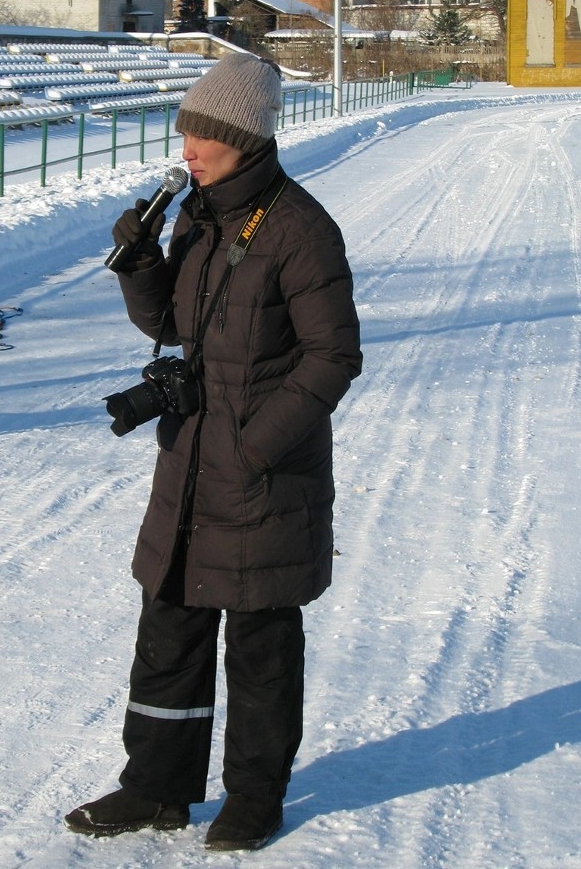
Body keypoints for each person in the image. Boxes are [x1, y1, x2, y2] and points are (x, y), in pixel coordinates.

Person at [65, 52, 362, 851]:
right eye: (185, 131)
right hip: (191, 462)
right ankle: (155, 788)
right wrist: (142, 264)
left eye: (202, 134)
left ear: (244, 138)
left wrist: (255, 444)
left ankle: (254, 799)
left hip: (263, 474)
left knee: (261, 643)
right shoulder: (198, 213)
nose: (186, 147)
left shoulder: (299, 227)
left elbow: (334, 357)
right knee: (170, 625)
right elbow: (171, 326)